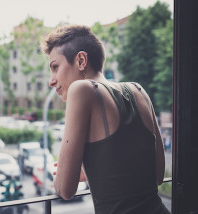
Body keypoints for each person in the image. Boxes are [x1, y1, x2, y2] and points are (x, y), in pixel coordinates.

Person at [41, 25, 170, 213]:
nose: (51, 80)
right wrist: (97, 170)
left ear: (81, 60)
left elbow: (64, 189)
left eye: (55, 67)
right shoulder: (139, 90)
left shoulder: (81, 89)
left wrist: (66, 171)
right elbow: (157, 176)